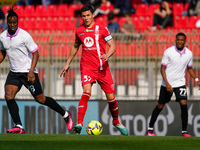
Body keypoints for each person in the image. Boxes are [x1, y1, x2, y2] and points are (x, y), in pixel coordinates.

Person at [0, 8, 73, 134]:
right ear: (7, 22)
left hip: (28, 71)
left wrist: (31, 71)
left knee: (40, 99)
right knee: (8, 95)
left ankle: (65, 114)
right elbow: (2, 53)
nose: (12, 25)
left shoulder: (24, 35)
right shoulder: (2, 36)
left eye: (15, 23)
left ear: (18, 22)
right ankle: (19, 126)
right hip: (14, 73)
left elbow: (36, 53)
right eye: (10, 23)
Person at [60, 4, 128, 136]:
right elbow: (75, 46)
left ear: (93, 15)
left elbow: (113, 46)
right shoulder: (79, 31)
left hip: (102, 68)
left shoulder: (102, 29)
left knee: (111, 98)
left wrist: (107, 55)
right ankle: (79, 123)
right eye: (84, 16)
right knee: (87, 91)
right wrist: (68, 63)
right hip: (87, 67)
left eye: (88, 15)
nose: (86, 18)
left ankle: (116, 121)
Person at [147, 32, 200, 137]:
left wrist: (196, 79)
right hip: (167, 84)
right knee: (160, 105)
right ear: (175, 40)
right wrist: (167, 83)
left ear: (185, 41)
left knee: (184, 104)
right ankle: (150, 128)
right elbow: (162, 68)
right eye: (178, 40)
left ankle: (184, 131)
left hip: (180, 83)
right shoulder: (168, 52)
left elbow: (189, 68)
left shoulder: (189, 53)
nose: (180, 42)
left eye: (182, 40)